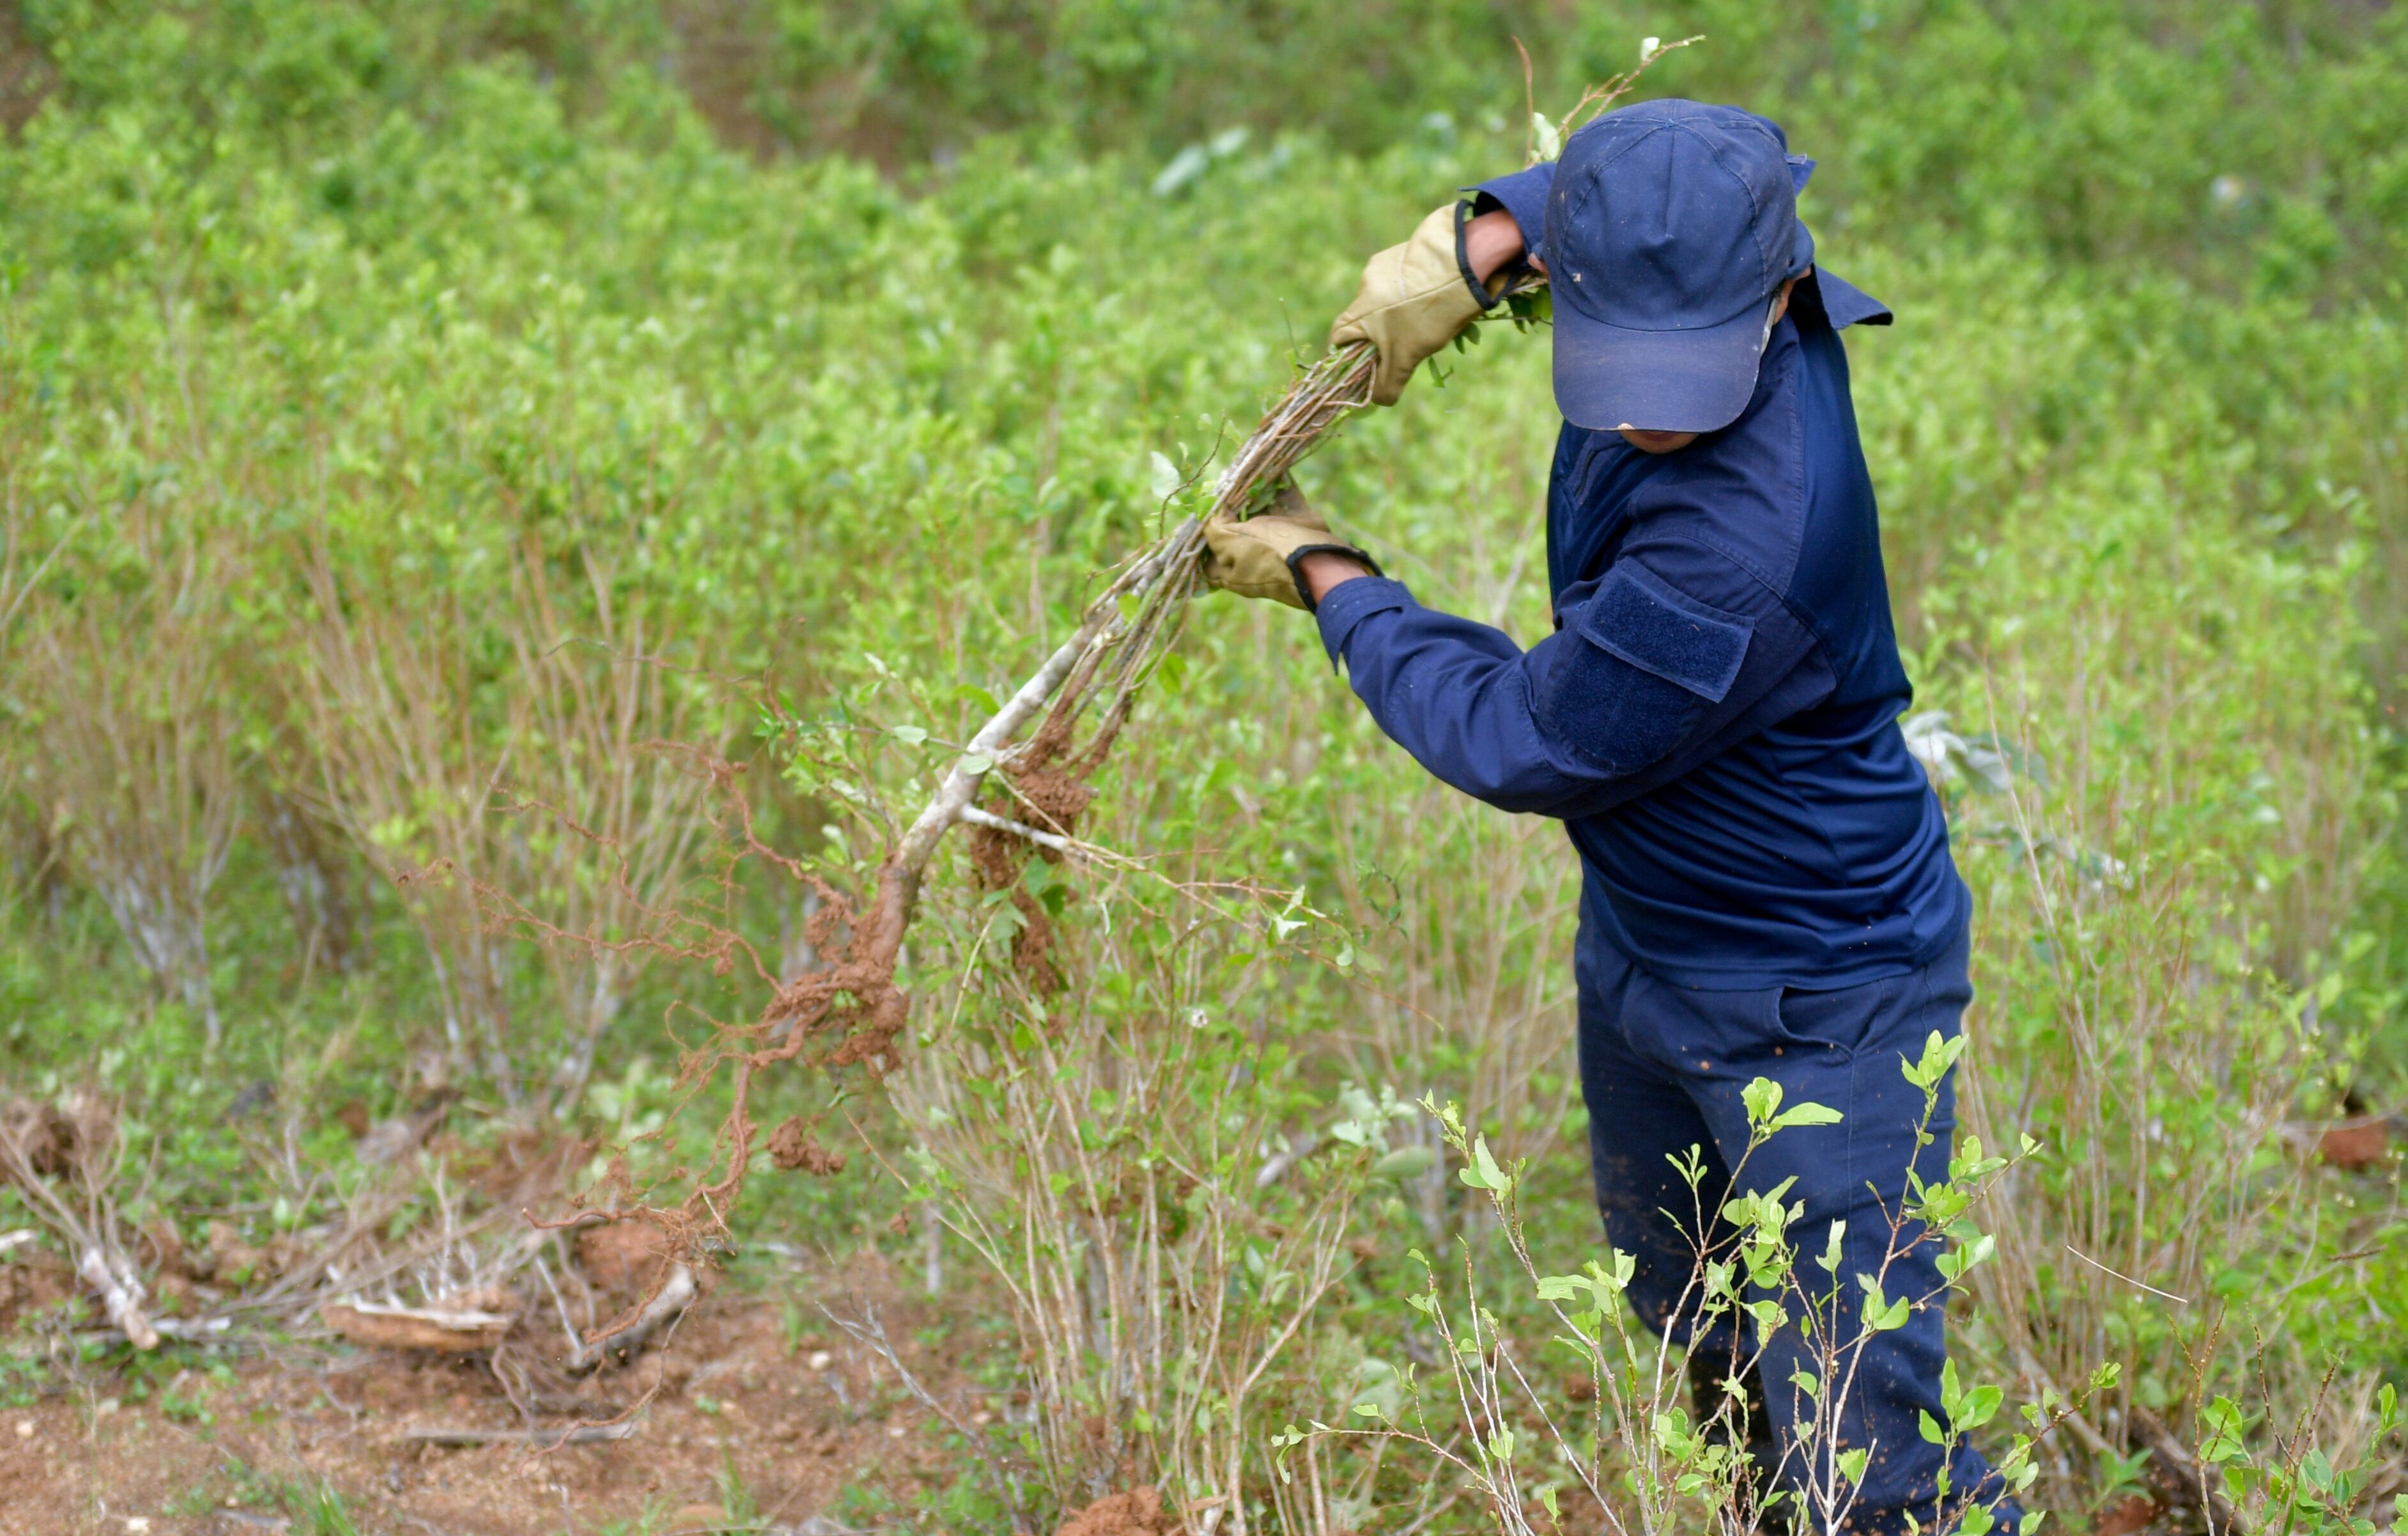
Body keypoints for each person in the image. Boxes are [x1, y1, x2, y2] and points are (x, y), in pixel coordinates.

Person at [1201, 98, 2020, 1535]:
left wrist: (1341, 582)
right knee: (1687, 1310)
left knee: (1866, 1451)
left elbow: (1520, 734)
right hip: (1645, 942)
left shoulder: (1742, 549)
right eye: (1618, 353)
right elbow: (1657, 180)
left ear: (1781, 296)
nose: (1647, 407)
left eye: (1685, 372)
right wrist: (1485, 234)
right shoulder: (1712, 246)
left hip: (1819, 996)